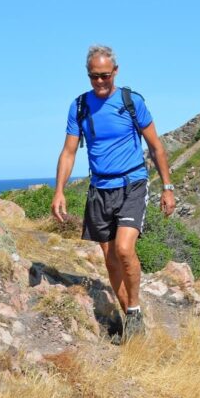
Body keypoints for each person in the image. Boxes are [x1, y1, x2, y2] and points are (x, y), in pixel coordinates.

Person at [51, 45, 175, 343]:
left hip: (132, 184)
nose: (100, 82)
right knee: (109, 260)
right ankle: (132, 321)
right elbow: (69, 152)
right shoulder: (79, 106)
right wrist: (59, 191)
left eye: (105, 76)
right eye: (94, 77)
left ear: (115, 72)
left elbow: (156, 146)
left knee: (123, 249)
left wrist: (168, 187)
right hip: (100, 189)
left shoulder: (131, 102)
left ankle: (133, 310)